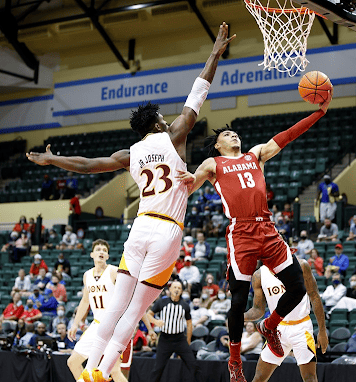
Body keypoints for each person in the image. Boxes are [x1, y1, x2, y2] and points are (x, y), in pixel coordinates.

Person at [29, 24, 234, 382]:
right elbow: (199, 91)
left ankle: (92, 369)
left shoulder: (131, 153)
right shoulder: (174, 134)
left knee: (113, 307)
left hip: (139, 228)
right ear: (157, 122)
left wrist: (53, 159)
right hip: (166, 231)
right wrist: (215, 53)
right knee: (136, 309)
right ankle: (103, 371)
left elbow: (90, 166)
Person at [177, 83, 332, 382]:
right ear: (219, 145)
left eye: (235, 133)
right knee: (238, 301)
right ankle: (235, 363)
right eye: (226, 135)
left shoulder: (255, 155)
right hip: (242, 233)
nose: (233, 135)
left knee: (297, 286)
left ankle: (270, 325)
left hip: (268, 228)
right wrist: (183, 179)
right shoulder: (213, 163)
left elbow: (287, 135)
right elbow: (189, 186)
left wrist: (319, 113)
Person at [66, 239, 150, 382]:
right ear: (92, 254)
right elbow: (85, 301)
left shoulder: (114, 271)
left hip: (114, 326)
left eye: (104, 250)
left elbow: (132, 294)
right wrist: (75, 324)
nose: (101, 252)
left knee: (115, 371)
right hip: (97, 324)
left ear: (107, 256)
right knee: (72, 362)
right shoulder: (87, 275)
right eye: (98, 249)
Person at [244, 257, 328, 382]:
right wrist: (240, 316)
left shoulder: (301, 265)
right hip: (276, 329)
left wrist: (322, 330)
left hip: (301, 327)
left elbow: (314, 295)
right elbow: (258, 310)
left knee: (309, 378)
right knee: (259, 378)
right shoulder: (259, 275)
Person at [148, 280, 200, 382]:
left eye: (179, 288)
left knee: (193, 365)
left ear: (181, 291)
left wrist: (188, 341)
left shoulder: (185, 306)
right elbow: (148, 314)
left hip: (180, 339)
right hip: (165, 339)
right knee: (158, 369)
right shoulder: (161, 302)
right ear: (170, 289)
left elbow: (189, 324)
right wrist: (156, 321)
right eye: (175, 287)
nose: (177, 290)